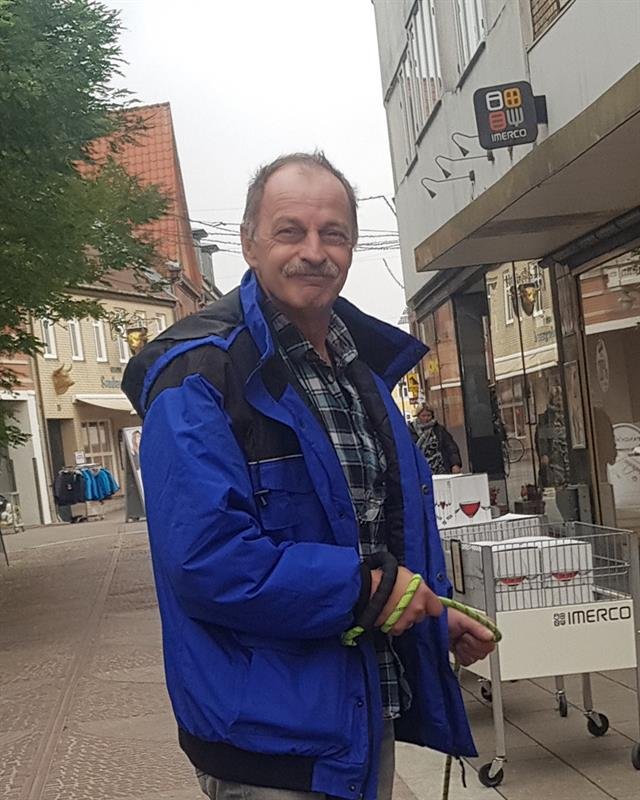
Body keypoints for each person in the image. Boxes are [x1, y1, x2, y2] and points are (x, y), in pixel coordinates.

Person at [122, 152, 494, 800]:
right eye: (290, 231)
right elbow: (208, 561)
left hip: (361, 714)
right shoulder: (198, 376)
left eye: (334, 234)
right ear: (249, 243)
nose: (314, 252)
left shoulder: (359, 371)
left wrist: (428, 613)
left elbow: (373, 530)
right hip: (269, 739)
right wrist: (371, 589)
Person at [409, 403, 463, 474]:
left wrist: (455, 464)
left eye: (429, 415)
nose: (426, 418)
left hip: (440, 468)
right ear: (418, 416)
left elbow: (451, 447)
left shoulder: (439, 430)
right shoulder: (410, 431)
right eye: (423, 416)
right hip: (420, 470)